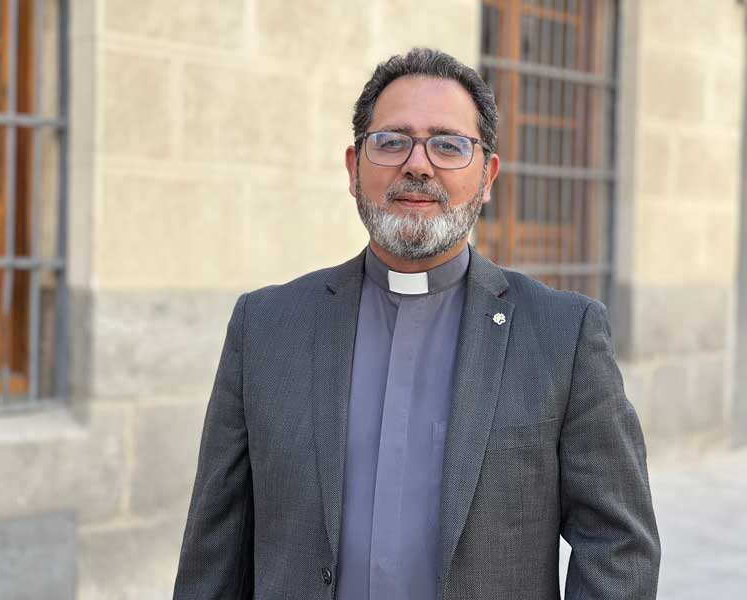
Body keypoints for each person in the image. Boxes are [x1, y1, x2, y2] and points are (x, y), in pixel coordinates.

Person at [173, 47, 660, 600]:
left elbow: (620, 548)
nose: (418, 165)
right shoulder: (264, 328)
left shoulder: (562, 335)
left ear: (487, 175)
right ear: (354, 169)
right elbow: (214, 549)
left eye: (448, 145)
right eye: (391, 141)